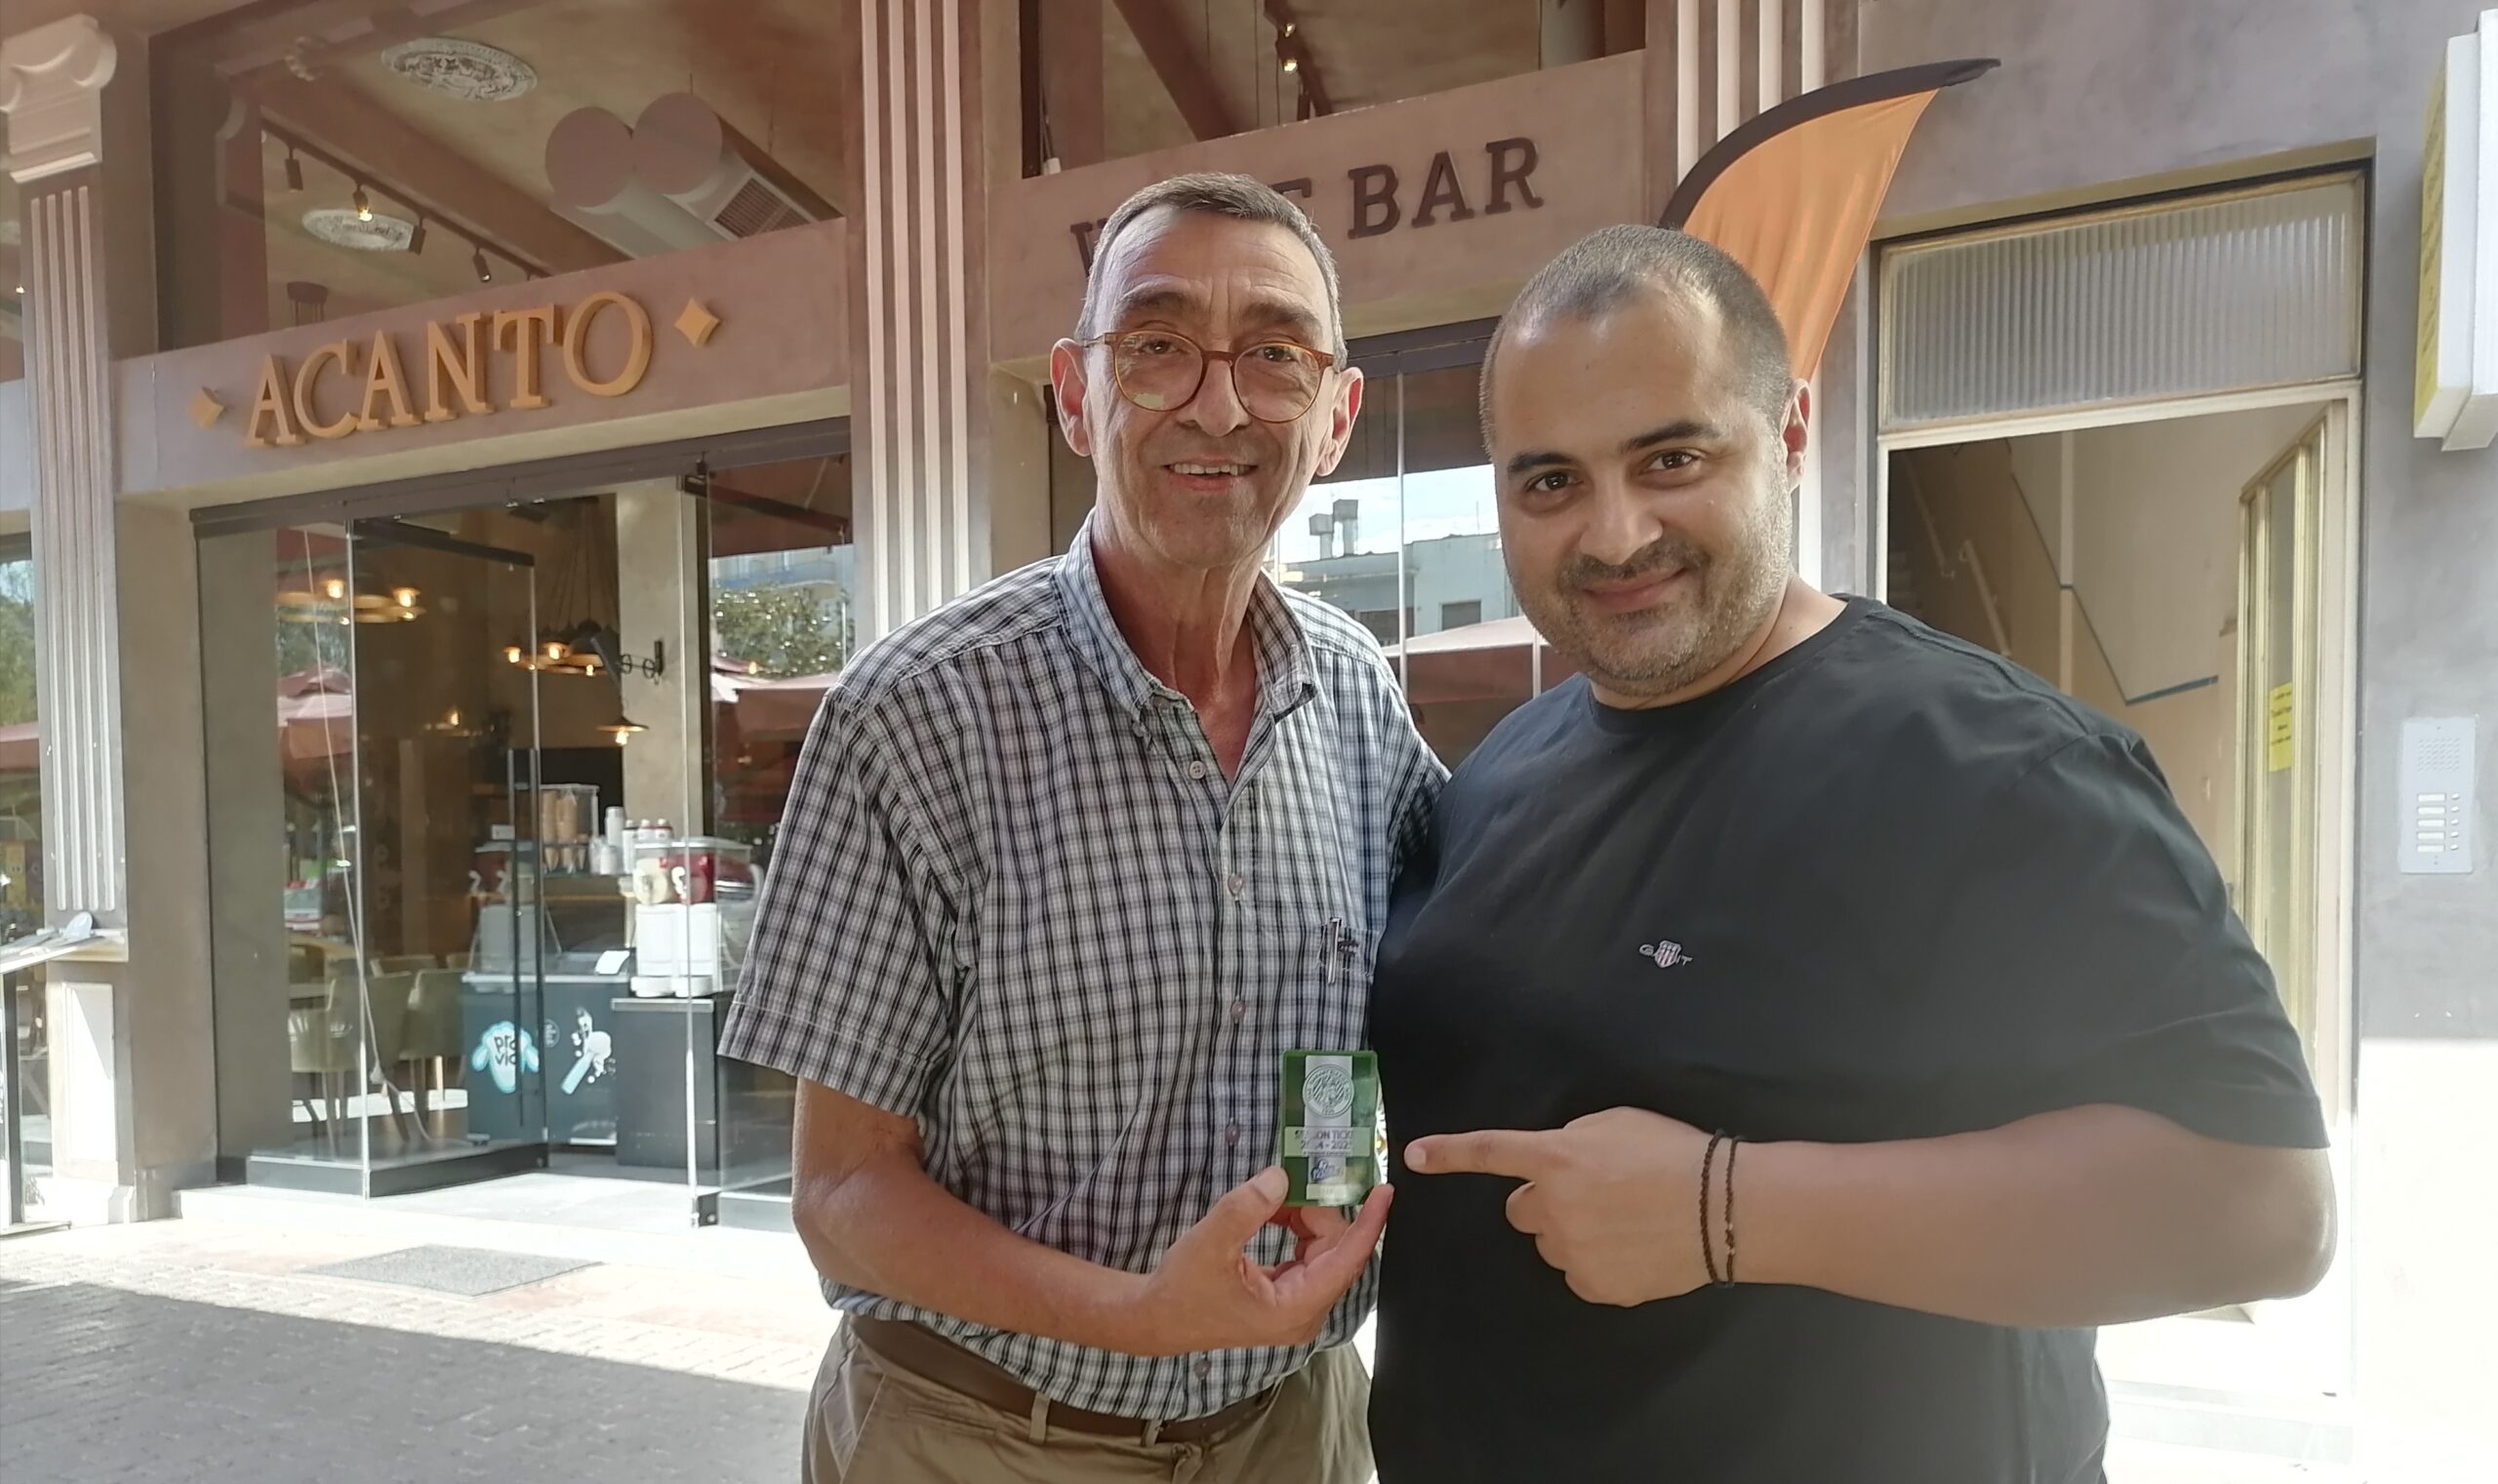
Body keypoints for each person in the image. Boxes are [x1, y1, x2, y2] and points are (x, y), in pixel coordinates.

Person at [1364, 224, 2336, 1483]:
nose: (1613, 534)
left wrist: (1726, 1211)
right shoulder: (1501, 768)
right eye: (1550, 481)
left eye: (1672, 459)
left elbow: (2263, 1209)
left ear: (1789, 433)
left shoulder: (1994, 768)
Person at [720, 173, 1441, 1483]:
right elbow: (839, 1196)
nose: (1217, 405)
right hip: (981, 1439)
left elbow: (1387, 1012)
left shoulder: (1356, 698)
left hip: (1293, 1430)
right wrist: (1139, 1314)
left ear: (1336, 415)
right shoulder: (916, 716)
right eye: (1157, 345)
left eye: (1275, 355)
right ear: (1074, 392)